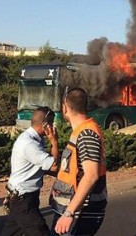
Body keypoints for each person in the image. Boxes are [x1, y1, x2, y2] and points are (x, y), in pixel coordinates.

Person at [51, 88, 108, 235]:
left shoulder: (87, 134)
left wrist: (69, 213)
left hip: (80, 211)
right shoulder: (81, 131)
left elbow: (91, 175)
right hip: (73, 208)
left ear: (65, 108)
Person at [0, 106, 59, 236]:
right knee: (41, 232)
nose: (53, 126)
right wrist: (54, 142)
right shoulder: (29, 144)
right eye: (51, 122)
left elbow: (43, 167)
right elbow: (53, 166)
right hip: (23, 200)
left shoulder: (34, 139)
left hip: (22, 197)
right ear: (45, 125)